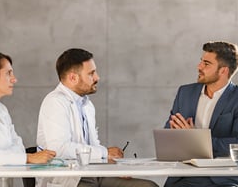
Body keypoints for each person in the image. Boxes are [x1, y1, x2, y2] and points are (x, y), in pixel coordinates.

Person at [37, 48, 158, 187]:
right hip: (67, 180)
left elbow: (93, 148)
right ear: (73, 77)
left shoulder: (87, 105)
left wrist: (114, 167)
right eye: (91, 73)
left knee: (147, 186)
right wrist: (105, 153)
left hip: (92, 174)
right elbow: (59, 149)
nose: (97, 78)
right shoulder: (55, 102)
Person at [164, 41, 238, 187]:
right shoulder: (185, 93)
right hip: (185, 176)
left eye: (206, 64)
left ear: (223, 71)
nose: (199, 66)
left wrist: (196, 138)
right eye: (201, 61)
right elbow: (168, 136)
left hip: (224, 178)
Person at [0, 52, 56, 186]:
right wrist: (28, 158)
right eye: (8, 73)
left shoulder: (2, 110)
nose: (14, 79)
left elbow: (18, 147)